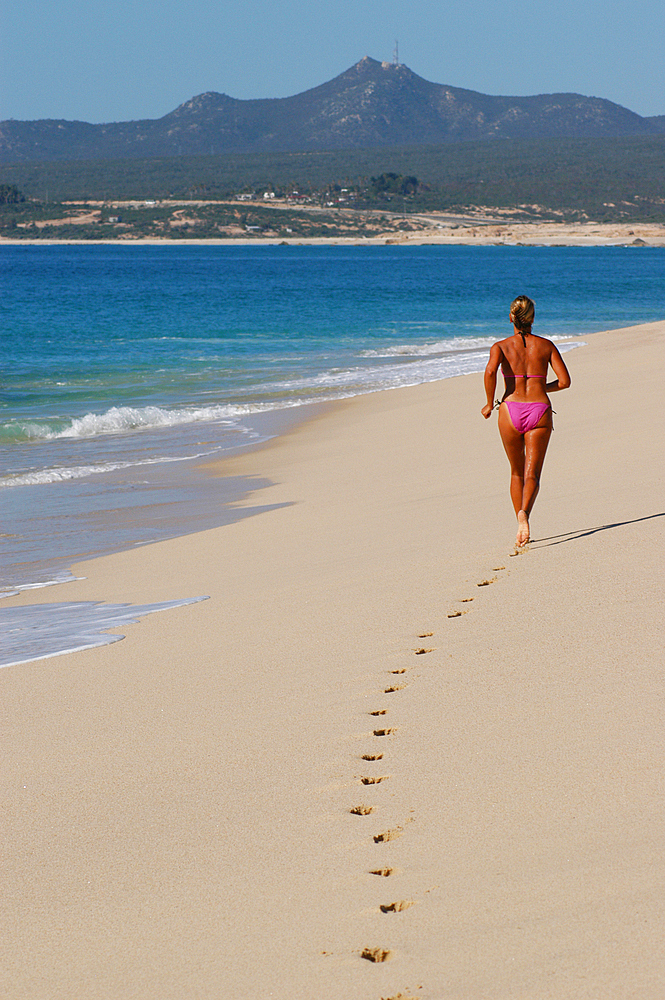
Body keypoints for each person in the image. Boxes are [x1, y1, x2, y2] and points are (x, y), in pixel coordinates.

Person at [482, 295, 571, 547]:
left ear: (511, 317)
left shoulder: (500, 347)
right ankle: (526, 514)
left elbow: (490, 371)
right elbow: (565, 382)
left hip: (510, 409)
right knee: (533, 473)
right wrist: (541, 388)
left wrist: (490, 403)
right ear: (532, 319)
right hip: (539, 409)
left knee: (516, 471)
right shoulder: (546, 346)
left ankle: (518, 523)